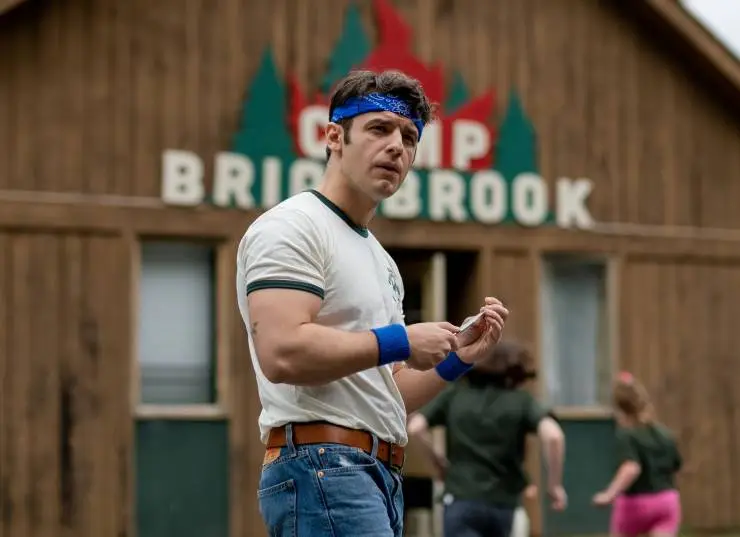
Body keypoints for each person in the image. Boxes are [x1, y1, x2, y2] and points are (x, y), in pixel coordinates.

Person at [236, 69, 510, 537]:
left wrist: (457, 361)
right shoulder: (292, 226)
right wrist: (401, 340)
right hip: (323, 465)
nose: (397, 147)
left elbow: (385, 394)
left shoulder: (379, 258)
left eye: (409, 137)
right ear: (334, 137)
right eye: (379, 129)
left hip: (373, 473)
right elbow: (282, 353)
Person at [407, 340, 567, 537]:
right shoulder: (521, 400)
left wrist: (438, 462)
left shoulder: (454, 395)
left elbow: (415, 428)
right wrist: (554, 486)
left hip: (460, 497)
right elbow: (554, 436)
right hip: (503, 503)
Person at [592, 371, 683, 537]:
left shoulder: (627, 435)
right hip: (666, 501)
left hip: (634, 504)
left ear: (619, 409)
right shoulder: (666, 435)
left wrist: (609, 494)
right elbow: (676, 467)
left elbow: (631, 467)